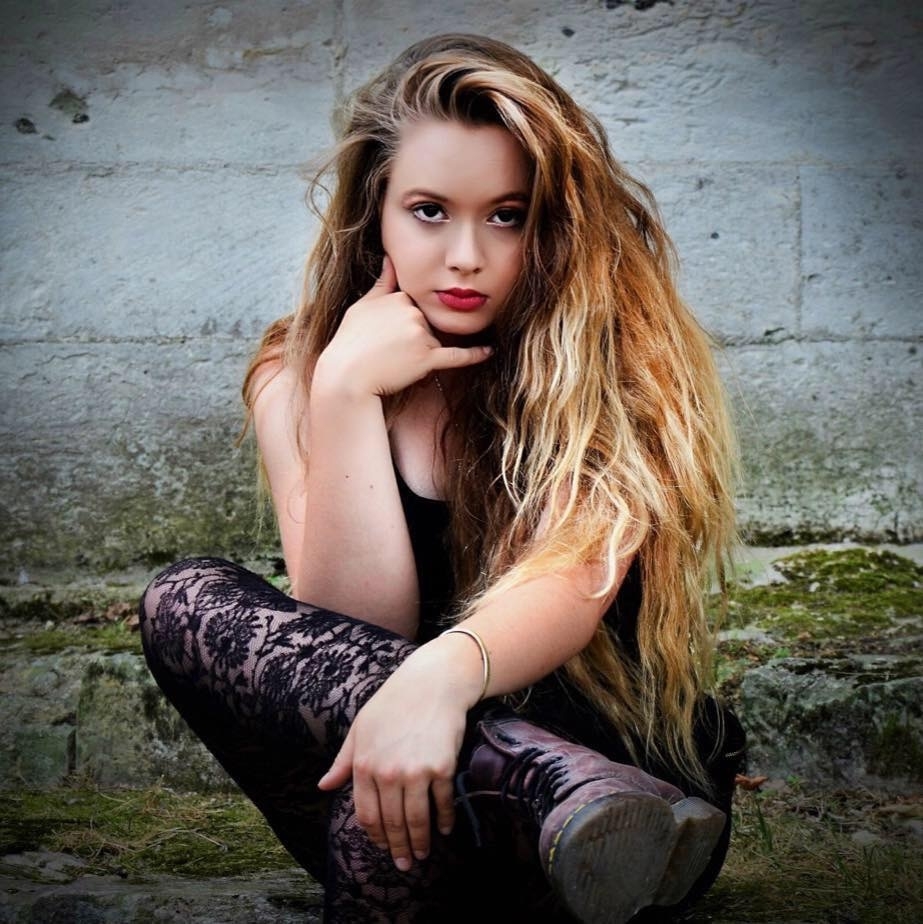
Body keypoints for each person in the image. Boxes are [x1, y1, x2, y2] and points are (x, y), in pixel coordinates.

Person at [139, 33, 746, 924]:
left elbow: (567, 582)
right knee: (182, 600)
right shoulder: (299, 372)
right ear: (375, 213)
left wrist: (436, 682)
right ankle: (530, 773)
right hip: (406, 771)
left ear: (551, 227)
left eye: (506, 216)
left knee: (375, 821)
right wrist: (346, 394)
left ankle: (545, 781)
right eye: (428, 211)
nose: (465, 254)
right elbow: (348, 634)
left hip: (619, 808)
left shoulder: (607, 365)